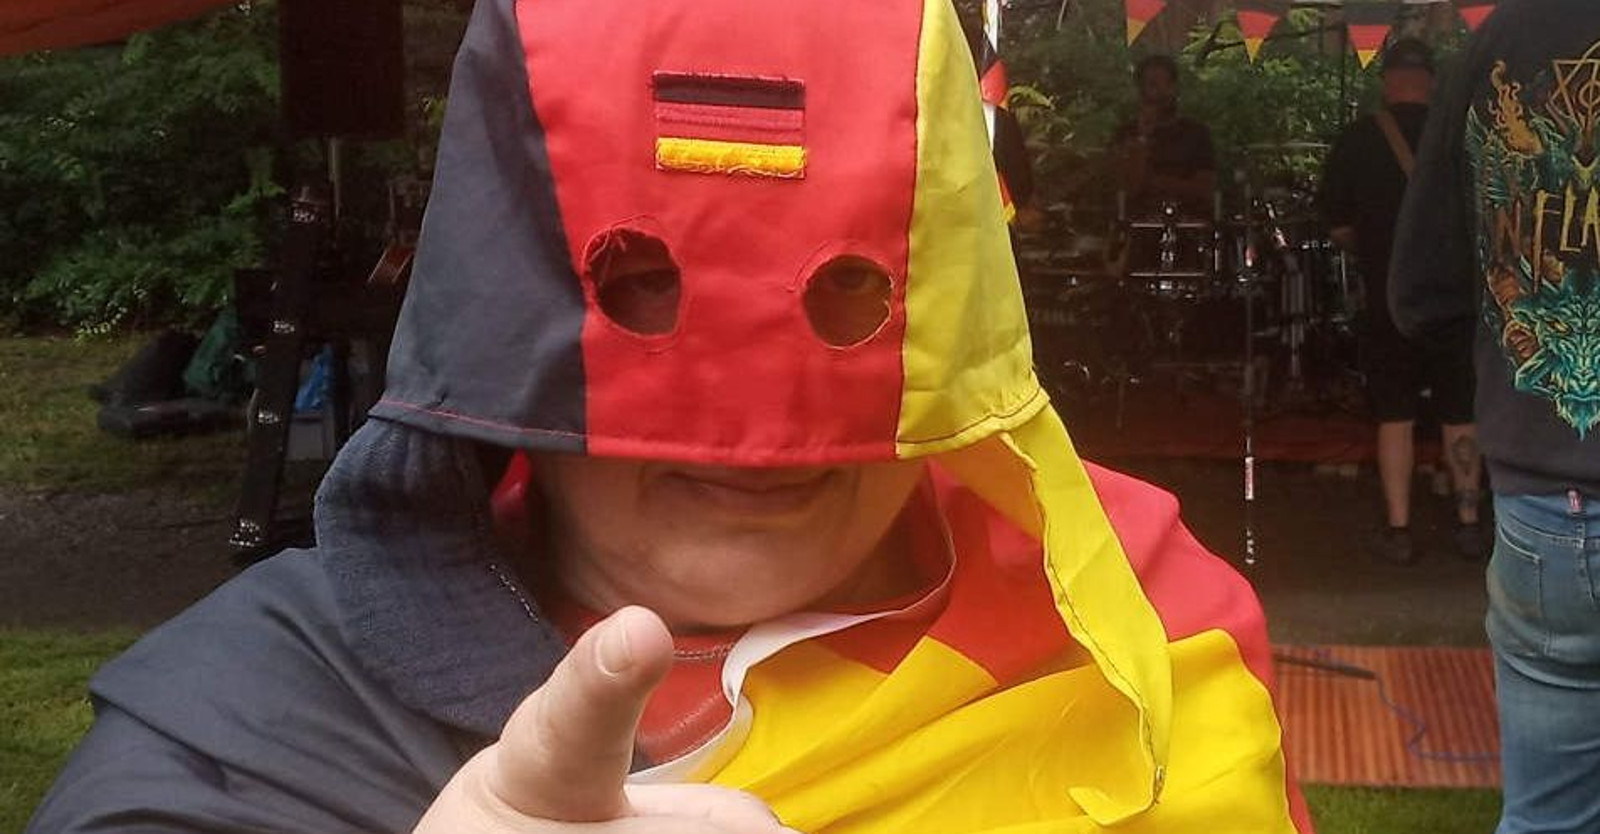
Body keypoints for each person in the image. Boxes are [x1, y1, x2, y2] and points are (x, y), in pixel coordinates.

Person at [28, 2, 1313, 832]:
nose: (756, 420)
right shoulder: (272, 711)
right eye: (643, 284)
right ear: (511, 314)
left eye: (852, 290)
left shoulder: (1125, 619)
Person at [1390, 3, 1600, 831]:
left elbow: (1422, 295)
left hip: (1551, 493)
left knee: (1548, 817)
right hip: (1548, 490)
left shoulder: (1498, 45)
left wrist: (1519, 353)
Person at [1320, 38, 1481, 565]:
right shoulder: (1462, 139)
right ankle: (1468, 521)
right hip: (1454, 300)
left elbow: (1338, 227)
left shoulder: (1359, 140)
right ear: (1431, 82)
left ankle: (1399, 528)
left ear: (1387, 81)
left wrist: (1378, 248)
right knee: (1460, 411)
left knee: (1395, 415)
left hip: (1390, 297)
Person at [1112, 54, 1217, 215]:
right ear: (1141, 90)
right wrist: (1142, 137)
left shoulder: (1197, 133)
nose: (1162, 92)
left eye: (1167, 84)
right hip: (1138, 222)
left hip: (1188, 221)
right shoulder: (1126, 133)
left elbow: (1205, 189)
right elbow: (1126, 188)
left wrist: (1154, 182)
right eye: (1153, 84)